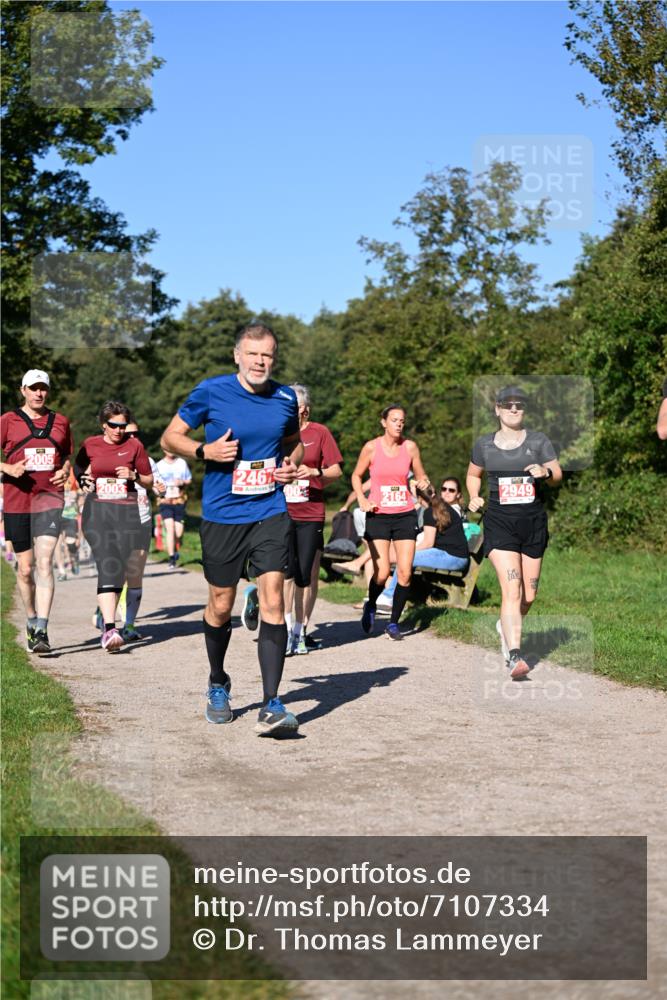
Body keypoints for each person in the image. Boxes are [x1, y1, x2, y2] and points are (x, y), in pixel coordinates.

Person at [161, 321, 304, 737]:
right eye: (253, 354)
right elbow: (170, 438)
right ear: (237, 355)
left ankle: (272, 702)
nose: (261, 362)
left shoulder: (284, 397)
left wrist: (290, 463)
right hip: (223, 514)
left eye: (268, 355)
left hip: (270, 510)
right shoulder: (212, 391)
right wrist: (203, 450)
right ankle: (218, 681)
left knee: (275, 599)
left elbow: (293, 442)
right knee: (221, 605)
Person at [466, 385, 562, 679]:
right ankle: (515, 656)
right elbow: (473, 475)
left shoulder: (538, 441)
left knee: (529, 595)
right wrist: (473, 496)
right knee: (513, 587)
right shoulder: (485, 444)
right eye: (507, 404)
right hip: (500, 522)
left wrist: (545, 473)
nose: (514, 409)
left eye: (519, 404)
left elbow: (557, 475)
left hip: (532, 523)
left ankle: (504, 626)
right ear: (497, 409)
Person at [1, 370, 73, 653]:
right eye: (34, 388)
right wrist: (7, 468)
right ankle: (30, 619)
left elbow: (66, 455)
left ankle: (42, 629)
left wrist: (65, 470)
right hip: (18, 501)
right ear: (23, 390)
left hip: (49, 499)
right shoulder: (8, 421)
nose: (39, 393)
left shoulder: (61, 422)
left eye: (43, 388)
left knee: (45, 563)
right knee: (26, 567)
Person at [76, 402, 153, 651]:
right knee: (108, 561)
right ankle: (110, 630)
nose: (119, 430)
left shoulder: (135, 446)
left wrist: (134, 477)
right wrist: (83, 480)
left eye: (122, 426)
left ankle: (106, 617)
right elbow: (78, 468)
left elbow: (149, 480)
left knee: (119, 568)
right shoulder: (91, 444)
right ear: (103, 425)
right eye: (113, 426)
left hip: (127, 514)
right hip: (97, 512)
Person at [350, 404, 430, 640]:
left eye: (402, 421)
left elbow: (421, 474)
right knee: (382, 572)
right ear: (384, 422)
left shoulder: (411, 447)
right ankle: (371, 604)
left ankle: (393, 623)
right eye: (394, 420)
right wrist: (362, 500)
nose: (398, 424)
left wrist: (423, 481)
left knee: (405, 573)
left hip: (404, 513)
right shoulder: (371, 448)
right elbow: (356, 476)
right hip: (378, 514)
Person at [282, 384, 343, 655]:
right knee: (284, 572)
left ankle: (301, 630)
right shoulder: (276, 433)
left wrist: (314, 471)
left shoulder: (319, 433)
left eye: (290, 406)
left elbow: (336, 471)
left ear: (303, 410)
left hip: (310, 513)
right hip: (280, 512)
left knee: (306, 574)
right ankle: (282, 630)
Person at [379, 483, 470, 608]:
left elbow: (428, 543)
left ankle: (389, 597)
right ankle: (391, 595)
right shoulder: (441, 508)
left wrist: (405, 553)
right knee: (407, 558)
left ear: (419, 498)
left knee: (407, 559)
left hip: (453, 558)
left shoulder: (430, 512)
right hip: (455, 556)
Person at [118, 419, 167, 641]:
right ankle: (105, 612)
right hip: (115, 522)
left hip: (141, 519)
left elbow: (159, 489)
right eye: (129, 435)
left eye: (137, 434)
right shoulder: (108, 459)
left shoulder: (147, 461)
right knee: (115, 573)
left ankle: (128, 624)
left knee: (135, 574)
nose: (134, 439)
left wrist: (161, 490)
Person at [155, 449, 192, 568]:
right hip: (165, 501)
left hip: (179, 501)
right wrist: (159, 493)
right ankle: (172, 559)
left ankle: (175, 549)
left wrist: (182, 482)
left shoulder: (181, 462)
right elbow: (153, 484)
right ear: (164, 449)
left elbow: (189, 479)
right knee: (170, 528)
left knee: (178, 532)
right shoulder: (159, 465)